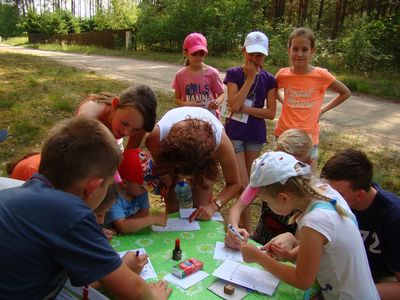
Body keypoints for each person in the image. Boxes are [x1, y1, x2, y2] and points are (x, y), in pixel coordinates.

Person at [0, 117, 171, 299]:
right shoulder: (71, 213)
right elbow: (135, 292)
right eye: (107, 186)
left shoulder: (18, 192)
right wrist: (153, 297)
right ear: (92, 187)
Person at [239, 151, 379, 299]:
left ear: (283, 198)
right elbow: (327, 244)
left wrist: (259, 258)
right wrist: (290, 255)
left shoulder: (315, 221)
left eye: (267, 201)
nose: (267, 205)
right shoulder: (325, 192)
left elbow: (302, 280)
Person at [321, 149, 400, 300]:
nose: (328, 198)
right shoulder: (334, 203)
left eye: (338, 194)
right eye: (326, 189)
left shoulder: (394, 219)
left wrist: (360, 291)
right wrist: (291, 239)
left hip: (376, 281)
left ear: (360, 195)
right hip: (341, 274)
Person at [274, 27, 351, 170]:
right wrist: (285, 101)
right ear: (289, 50)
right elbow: (272, 91)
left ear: (312, 51)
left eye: (305, 49)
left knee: (308, 178)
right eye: (295, 49)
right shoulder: (282, 74)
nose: (299, 54)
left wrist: (322, 110)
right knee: (280, 175)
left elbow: (345, 92)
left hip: (309, 137)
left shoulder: (321, 75)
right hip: (283, 134)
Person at [145, 106, 240, 222]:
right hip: (173, 156)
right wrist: (169, 183)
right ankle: (171, 231)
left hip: (200, 156)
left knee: (201, 207)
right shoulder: (156, 138)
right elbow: (163, 168)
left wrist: (213, 206)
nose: (186, 179)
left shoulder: (222, 144)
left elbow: (234, 183)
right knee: (172, 194)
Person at [224, 31, 277, 231]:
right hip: (235, 133)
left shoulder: (270, 79)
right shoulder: (234, 74)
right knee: (243, 183)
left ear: (265, 55)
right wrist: (249, 79)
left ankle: (246, 229)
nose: (256, 59)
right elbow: (233, 103)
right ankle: (244, 227)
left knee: (251, 182)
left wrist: (245, 109)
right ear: (244, 51)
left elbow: (270, 112)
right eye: (252, 54)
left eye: (260, 55)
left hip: (254, 135)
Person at [225, 128, 312, 250]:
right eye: (278, 159)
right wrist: (233, 230)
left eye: (290, 162)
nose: (281, 166)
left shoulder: (307, 199)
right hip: (261, 241)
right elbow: (236, 208)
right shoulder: (266, 177)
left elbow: (299, 245)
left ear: (307, 163)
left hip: (284, 252)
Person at [105, 148, 167, 233]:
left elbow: (145, 212)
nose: (146, 189)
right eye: (142, 187)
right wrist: (151, 220)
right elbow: (122, 227)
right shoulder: (113, 197)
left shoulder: (140, 192)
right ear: (125, 183)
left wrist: (128, 224)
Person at [75, 85, 157, 149]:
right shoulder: (91, 114)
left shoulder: (138, 123)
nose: (127, 133)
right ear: (115, 104)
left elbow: (128, 157)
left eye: (136, 129)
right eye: (124, 123)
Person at [172, 32, 224, 118]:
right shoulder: (180, 75)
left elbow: (221, 94)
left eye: (201, 53)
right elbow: (177, 99)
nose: (198, 56)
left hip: (210, 117)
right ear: (185, 52)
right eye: (194, 53)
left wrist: (217, 102)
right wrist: (186, 104)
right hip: (189, 117)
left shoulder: (212, 73)